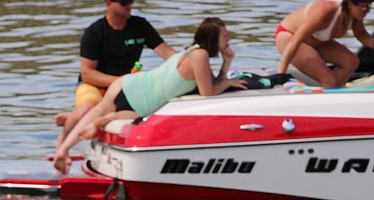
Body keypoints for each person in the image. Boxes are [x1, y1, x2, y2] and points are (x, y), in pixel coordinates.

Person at [53, 17, 246, 173]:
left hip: (128, 83)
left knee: (95, 112)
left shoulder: (192, 51)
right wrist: (228, 81)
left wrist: (226, 64)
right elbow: (208, 93)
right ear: (213, 37)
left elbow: (211, 84)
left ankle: (63, 150)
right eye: (225, 36)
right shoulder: (200, 56)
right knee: (110, 115)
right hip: (139, 98)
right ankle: (99, 124)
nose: (228, 40)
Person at [55, 0, 177, 146]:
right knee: (88, 108)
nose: (129, 5)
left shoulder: (140, 25)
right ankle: (62, 142)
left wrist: (188, 60)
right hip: (94, 83)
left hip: (124, 85)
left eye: (131, 1)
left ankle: (74, 118)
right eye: (124, 2)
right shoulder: (95, 32)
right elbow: (87, 73)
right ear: (109, 3)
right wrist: (120, 81)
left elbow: (167, 53)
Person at [275, 0, 374, 88]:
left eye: (369, 6)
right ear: (350, 4)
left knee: (350, 62)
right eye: (363, 7)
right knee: (328, 79)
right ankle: (326, 93)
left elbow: (361, 34)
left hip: (317, 41)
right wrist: (280, 74)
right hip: (289, 36)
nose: (367, 11)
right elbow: (296, 40)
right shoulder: (325, 10)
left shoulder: (355, 16)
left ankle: (332, 90)